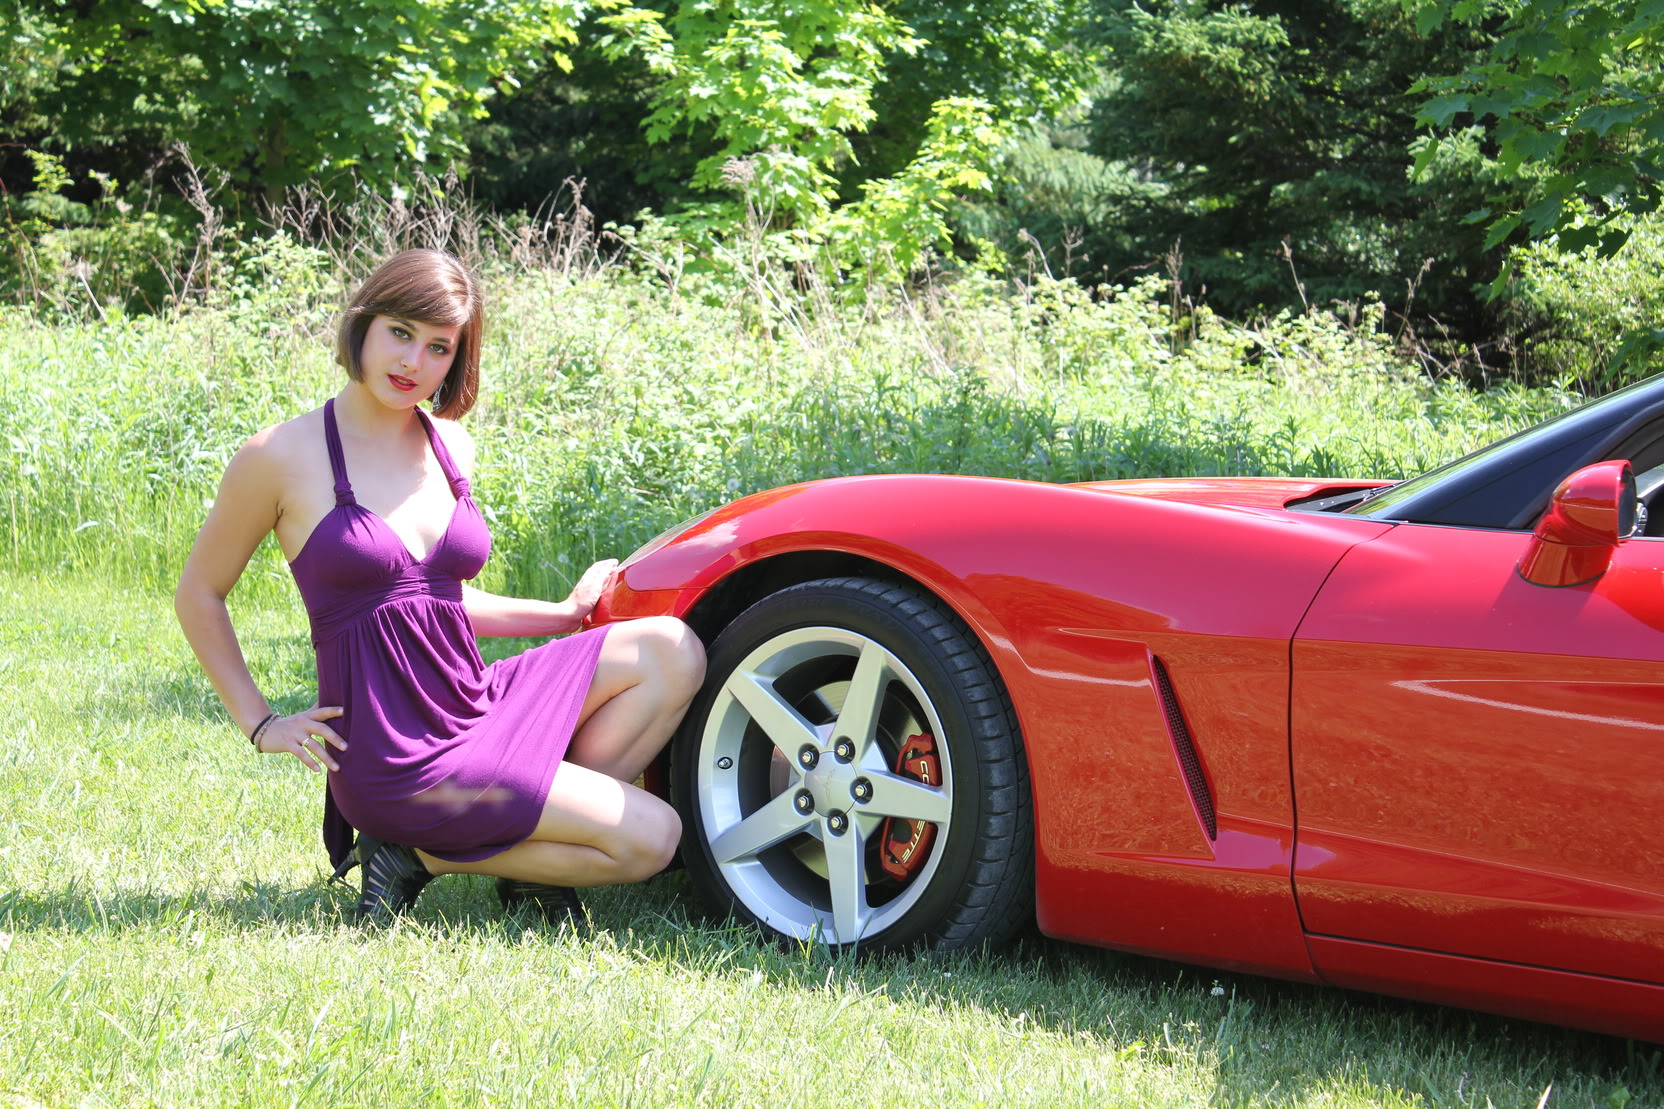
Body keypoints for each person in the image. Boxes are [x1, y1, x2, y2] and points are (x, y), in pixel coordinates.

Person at [175, 248, 705, 924]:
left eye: (437, 347)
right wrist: (262, 723)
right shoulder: (279, 456)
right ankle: (412, 853)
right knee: (653, 838)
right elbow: (199, 593)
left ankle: (521, 853)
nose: (412, 362)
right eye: (399, 332)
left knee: (671, 649)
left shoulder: (452, 445)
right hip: (395, 752)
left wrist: (564, 613)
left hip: (473, 703)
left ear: (456, 359)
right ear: (362, 325)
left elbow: (435, 604)